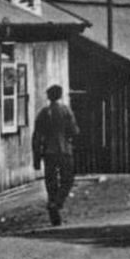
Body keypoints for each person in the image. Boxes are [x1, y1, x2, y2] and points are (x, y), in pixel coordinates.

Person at [32, 85, 79, 227]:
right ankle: (57, 203)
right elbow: (74, 130)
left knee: (51, 182)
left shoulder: (43, 113)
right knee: (68, 180)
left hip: (48, 152)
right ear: (60, 95)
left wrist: (37, 157)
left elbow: (37, 137)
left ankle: (53, 209)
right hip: (64, 151)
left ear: (49, 96)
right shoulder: (66, 111)